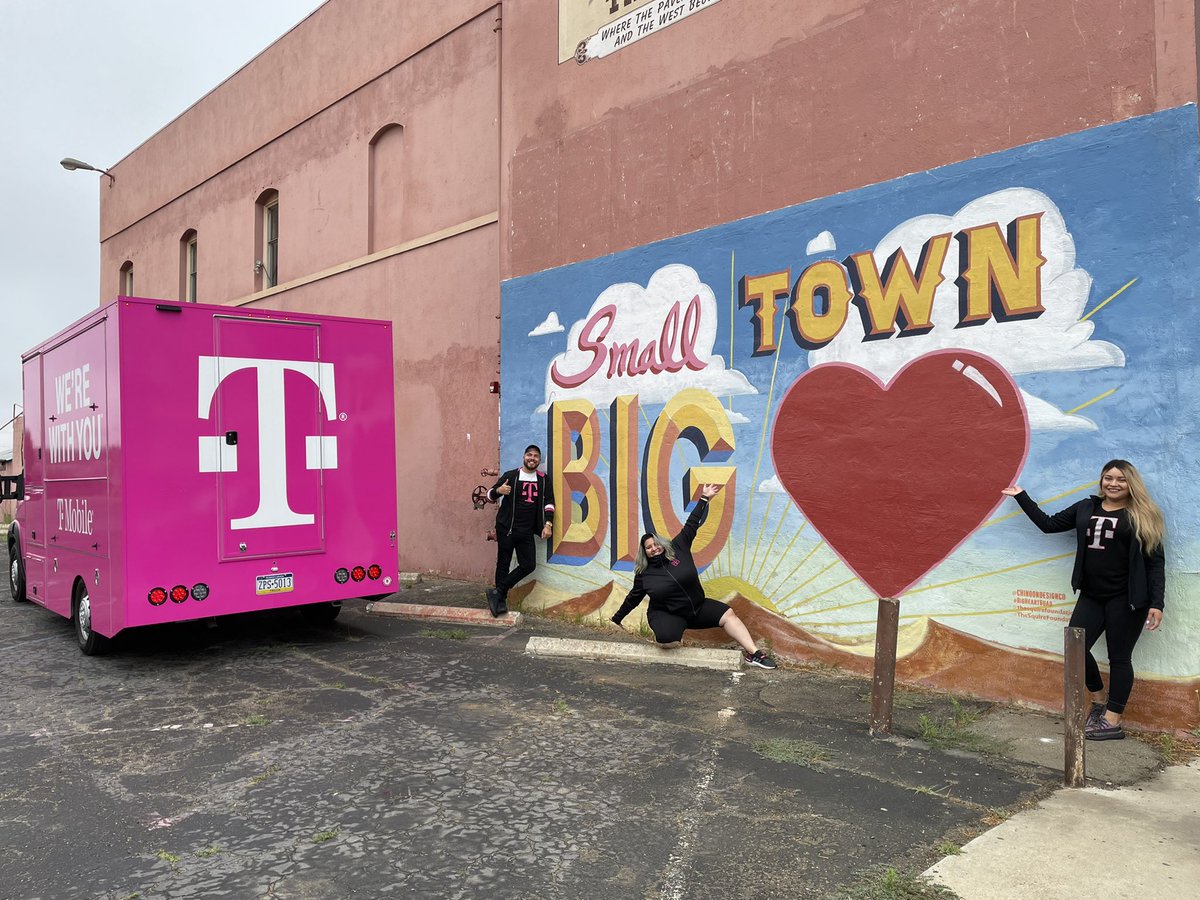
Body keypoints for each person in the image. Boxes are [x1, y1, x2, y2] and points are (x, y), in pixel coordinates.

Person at [1002, 459, 1166, 741]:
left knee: (1119, 658)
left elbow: (1155, 563)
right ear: (1101, 481)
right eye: (1108, 478)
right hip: (1091, 595)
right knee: (1075, 649)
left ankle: (1112, 720)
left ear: (1131, 484)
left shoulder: (1142, 514)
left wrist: (1156, 603)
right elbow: (1049, 524)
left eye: (1120, 479)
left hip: (1126, 600)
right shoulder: (1086, 507)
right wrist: (1021, 497)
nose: (1113, 483)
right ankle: (1099, 700)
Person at [610, 483, 777, 669]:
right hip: (669, 613)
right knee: (667, 639)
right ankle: (670, 631)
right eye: (648, 547)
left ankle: (754, 654)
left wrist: (704, 498)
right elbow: (633, 598)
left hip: (697, 608)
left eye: (656, 544)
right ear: (644, 552)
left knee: (728, 614)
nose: (653, 548)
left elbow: (691, 523)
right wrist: (617, 619)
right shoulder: (644, 574)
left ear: (662, 543)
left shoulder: (678, 547)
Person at [485, 445, 555, 617]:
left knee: (528, 565)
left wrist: (548, 524)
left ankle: (498, 591)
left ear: (539, 460)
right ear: (524, 457)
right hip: (506, 529)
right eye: (529, 455)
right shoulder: (511, 476)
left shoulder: (543, 479)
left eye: (536, 456)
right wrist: (498, 491)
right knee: (503, 563)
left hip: (526, 531)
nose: (532, 458)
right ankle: (500, 601)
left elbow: (549, 503)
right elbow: (488, 495)